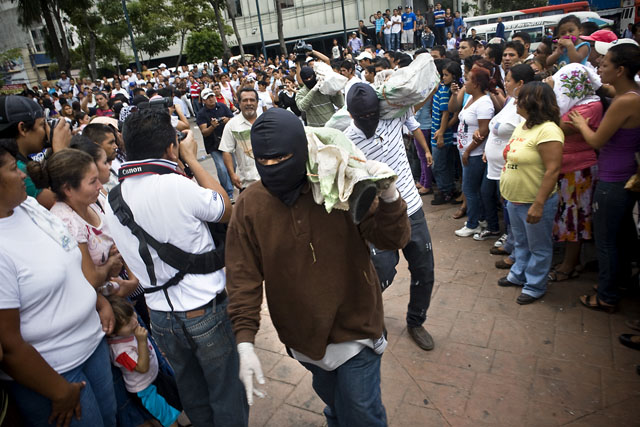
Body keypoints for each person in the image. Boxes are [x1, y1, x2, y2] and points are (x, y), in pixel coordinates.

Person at [225, 108, 411, 426]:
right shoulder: (249, 206)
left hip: (356, 325)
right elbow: (243, 277)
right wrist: (244, 342)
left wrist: (390, 195)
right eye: (264, 161)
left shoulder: (338, 182)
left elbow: (392, 237)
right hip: (302, 336)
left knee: (362, 413)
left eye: (282, 159)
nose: (272, 168)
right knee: (336, 403)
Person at [102, 108, 247, 426]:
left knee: (193, 394)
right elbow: (225, 209)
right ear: (171, 148)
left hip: (162, 319)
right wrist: (192, 160)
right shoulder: (177, 186)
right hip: (204, 310)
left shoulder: (113, 200)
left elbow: (131, 261)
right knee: (227, 392)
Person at [0, 138, 117, 427]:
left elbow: (70, 266)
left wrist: (98, 301)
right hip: (56, 371)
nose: (23, 174)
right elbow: (8, 344)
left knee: (110, 419)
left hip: (92, 343)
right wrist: (59, 390)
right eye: (13, 169)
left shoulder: (30, 208)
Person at [345, 83, 436, 351]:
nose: (369, 120)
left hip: (412, 209)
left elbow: (422, 85)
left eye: (373, 113)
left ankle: (416, 321)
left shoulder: (394, 118)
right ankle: (372, 320)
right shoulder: (348, 140)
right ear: (351, 115)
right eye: (362, 117)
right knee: (381, 272)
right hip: (380, 217)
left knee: (424, 269)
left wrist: (425, 150)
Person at [568, 41, 640, 312]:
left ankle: (607, 296)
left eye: (605, 63)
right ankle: (618, 282)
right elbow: (604, 87)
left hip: (613, 179)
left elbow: (597, 140)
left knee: (607, 240)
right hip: (624, 176)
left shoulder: (625, 102)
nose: (600, 65)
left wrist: (581, 124)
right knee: (620, 236)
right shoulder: (632, 92)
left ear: (620, 70)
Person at [498, 82, 564, 305]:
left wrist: (539, 204)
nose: (516, 102)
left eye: (521, 98)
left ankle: (535, 285)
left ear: (533, 102)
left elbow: (553, 169)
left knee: (539, 246)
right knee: (522, 243)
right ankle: (518, 275)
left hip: (534, 200)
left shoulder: (549, 131)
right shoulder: (524, 125)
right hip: (515, 199)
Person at [547, 64, 603, 282]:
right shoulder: (572, 103)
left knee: (574, 218)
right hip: (565, 168)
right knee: (565, 216)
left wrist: (550, 95)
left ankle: (570, 264)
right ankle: (569, 260)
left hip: (579, 170)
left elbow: (557, 126)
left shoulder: (591, 106)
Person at [480, 64, 534, 256]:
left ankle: (515, 247)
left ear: (520, 83)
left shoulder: (527, 105)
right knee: (504, 204)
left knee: (512, 208)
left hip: (509, 166)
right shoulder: (511, 101)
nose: (505, 83)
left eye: (509, 80)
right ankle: (512, 243)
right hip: (496, 165)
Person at [107, 297, 182, 427]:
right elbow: (142, 367)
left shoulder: (129, 332)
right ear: (112, 333)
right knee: (168, 418)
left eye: (132, 314)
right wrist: (141, 341)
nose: (134, 321)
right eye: (127, 322)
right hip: (145, 390)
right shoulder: (120, 351)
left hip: (155, 379)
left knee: (172, 408)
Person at [0, 95, 71, 209]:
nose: (46, 131)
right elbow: (65, 203)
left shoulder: (16, 160)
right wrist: (60, 153)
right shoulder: (14, 169)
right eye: (42, 124)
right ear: (23, 128)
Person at [454, 67, 495, 237]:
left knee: (469, 189)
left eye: (468, 79)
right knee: (471, 188)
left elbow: (483, 131)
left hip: (475, 153)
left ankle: (472, 224)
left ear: (477, 84)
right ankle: (478, 218)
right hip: (465, 150)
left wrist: (468, 150)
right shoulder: (471, 98)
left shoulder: (485, 103)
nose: (465, 82)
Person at [196, 87, 235, 201]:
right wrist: (212, 126)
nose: (211, 99)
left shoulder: (222, 106)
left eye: (212, 96)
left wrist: (227, 120)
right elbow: (204, 132)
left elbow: (232, 119)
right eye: (208, 98)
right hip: (213, 144)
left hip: (227, 141)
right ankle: (228, 192)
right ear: (203, 100)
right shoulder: (201, 114)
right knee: (221, 168)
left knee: (232, 166)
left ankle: (230, 183)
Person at [431, 60, 461, 205]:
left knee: (440, 166)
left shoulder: (445, 92)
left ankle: (445, 191)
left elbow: (445, 114)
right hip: (442, 133)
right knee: (445, 164)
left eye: (446, 75)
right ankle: (448, 189)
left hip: (441, 135)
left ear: (454, 76)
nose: (443, 78)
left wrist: (441, 132)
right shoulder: (444, 89)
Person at [220, 87, 262, 192]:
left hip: (270, 181)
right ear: (239, 103)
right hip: (247, 184)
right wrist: (232, 174)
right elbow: (226, 151)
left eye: (252, 100)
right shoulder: (232, 125)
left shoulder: (266, 121)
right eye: (245, 100)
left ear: (257, 102)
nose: (249, 103)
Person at [295, 63, 344, 127]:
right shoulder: (301, 92)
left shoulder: (324, 87)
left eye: (310, 77)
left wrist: (337, 90)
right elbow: (302, 107)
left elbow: (340, 104)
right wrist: (313, 90)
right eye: (306, 79)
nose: (309, 80)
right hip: (315, 129)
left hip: (331, 126)